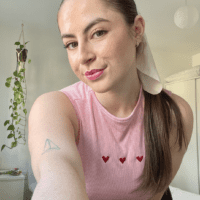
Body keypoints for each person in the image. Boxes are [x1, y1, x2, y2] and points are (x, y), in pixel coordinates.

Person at [31, 0, 192, 199]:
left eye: (98, 33)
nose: (82, 56)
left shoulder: (176, 114)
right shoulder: (54, 108)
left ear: (137, 30)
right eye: (71, 44)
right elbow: (56, 171)